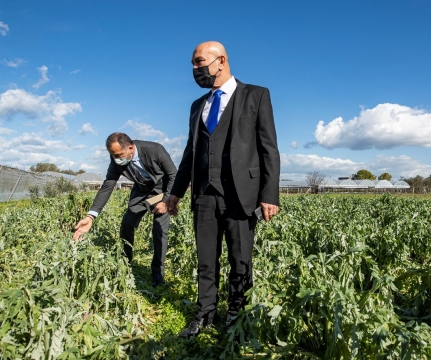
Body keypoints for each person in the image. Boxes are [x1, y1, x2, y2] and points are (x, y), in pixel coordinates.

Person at [165, 41, 280, 338]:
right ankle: (205, 314)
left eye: (199, 61)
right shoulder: (196, 106)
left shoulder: (256, 95)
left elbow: (269, 148)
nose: (195, 68)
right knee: (206, 258)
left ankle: (236, 315)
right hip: (204, 193)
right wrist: (175, 192)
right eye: (193, 63)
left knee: (240, 259)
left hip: (242, 193)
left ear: (221, 61)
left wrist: (269, 195)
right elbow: (190, 152)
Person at [73, 132, 177, 287]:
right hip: (141, 193)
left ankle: (158, 276)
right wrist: (91, 216)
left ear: (130, 148)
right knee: (127, 223)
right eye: (113, 155)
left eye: (119, 155)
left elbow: (173, 175)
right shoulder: (116, 159)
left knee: (159, 231)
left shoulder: (154, 150)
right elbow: (108, 185)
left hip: (162, 192)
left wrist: (165, 201)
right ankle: (125, 263)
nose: (116, 159)